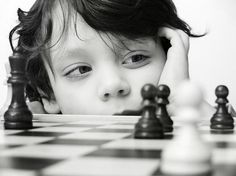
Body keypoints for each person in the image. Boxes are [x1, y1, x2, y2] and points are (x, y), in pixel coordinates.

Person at [9, 0, 216, 116]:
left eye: (136, 58)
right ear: (49, 95)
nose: (113, 84)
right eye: (81, 70)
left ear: (170, 55)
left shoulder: (209, 121)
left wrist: (181, 101)